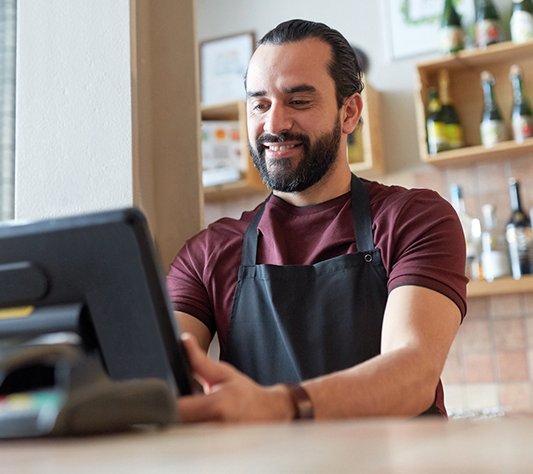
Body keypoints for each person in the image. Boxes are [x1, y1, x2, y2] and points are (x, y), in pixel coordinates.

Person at [167, 19, 467, 422]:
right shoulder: (207, 252)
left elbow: (412, 373)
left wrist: (278, 406)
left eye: (299, 101)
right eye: (259, 104)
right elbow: (159, 373)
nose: (273, 125)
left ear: (349, 112)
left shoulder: (413, 219)